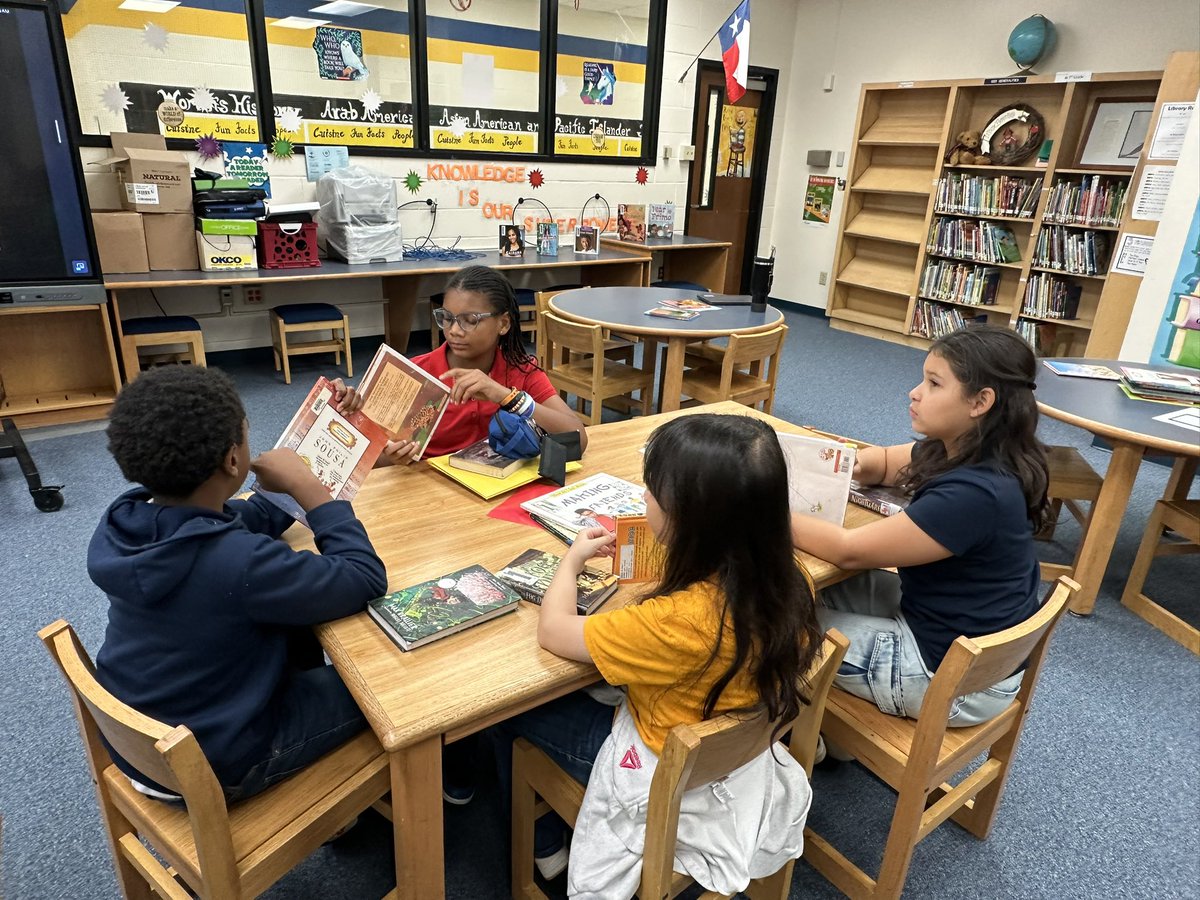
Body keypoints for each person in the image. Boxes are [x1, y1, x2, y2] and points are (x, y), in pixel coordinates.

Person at [489, 414, 823, 893]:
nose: (642, 499)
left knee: (507, 712)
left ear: (693, 522)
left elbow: (554, 631)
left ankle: (544, 849)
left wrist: (572, 561)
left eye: (650, 494)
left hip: (665, 773)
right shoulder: (793, 581)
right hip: (738, 756)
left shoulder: (675, 623)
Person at [89, 365, 387, 803]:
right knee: (382, 685)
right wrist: (315, 493)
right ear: (233, 459)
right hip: (223, 760)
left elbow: (245, 519)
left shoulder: (127, 519)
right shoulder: (239, 563)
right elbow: (364, 578)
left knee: (296, 631)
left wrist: (318, 451)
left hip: (147, 737)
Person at [790, 324, 1049, 726]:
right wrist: (852, 466)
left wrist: (762, 508)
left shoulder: (976, 493)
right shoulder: (971, 450)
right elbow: (889, 462)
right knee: (801, 588)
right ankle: (811, 717)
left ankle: (788, 730)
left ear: (980, 401)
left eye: (933, 383)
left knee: (766, 622)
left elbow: (848, 550)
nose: (915, 392)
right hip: (946, 634)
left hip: (947, 678)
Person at [336, 265, 586, 465]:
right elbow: (364, 459)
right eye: (447, 318)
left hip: (498, 492)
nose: (454, 330)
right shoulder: (413, 373)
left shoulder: (520, 369)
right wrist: (389, 457)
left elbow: (578, 438)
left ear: (503, 324)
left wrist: (504, 396)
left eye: (470, 320)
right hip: (428, 496)